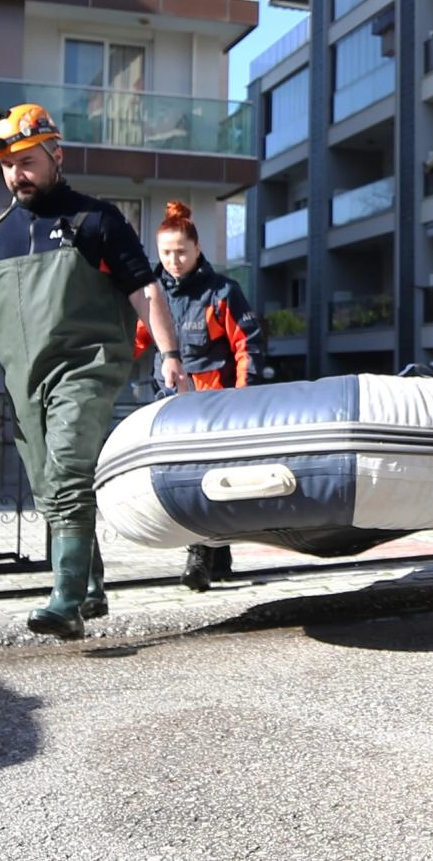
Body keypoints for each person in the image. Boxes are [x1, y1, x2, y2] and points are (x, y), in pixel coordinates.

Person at [0, 102, 184, 639]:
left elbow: (145, 291)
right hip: (24, 380)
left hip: (86, 368)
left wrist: (169, 355)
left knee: (70, 468)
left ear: (56, 155)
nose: (17, 174)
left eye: (27, 162)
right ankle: (90, 586)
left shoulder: (96, 221)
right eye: (8, 165)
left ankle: (65, 601)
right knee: (49, 486)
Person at [134, 199, 270, 592]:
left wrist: (244, 397)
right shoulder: (151, 294)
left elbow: (248, 345)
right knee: (186, 480)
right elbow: (136, 340)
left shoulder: (223, 292)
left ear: (197, 249)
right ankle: (218, 555)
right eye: (165, 253)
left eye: (181, 252)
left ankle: (200, 556)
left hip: (216, 407)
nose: (173, 260)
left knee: (207, 479)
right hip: (169, 404)